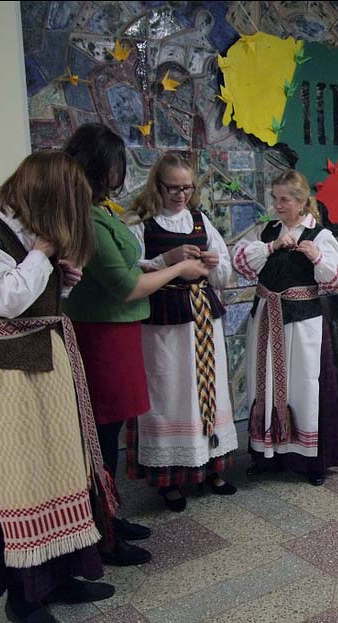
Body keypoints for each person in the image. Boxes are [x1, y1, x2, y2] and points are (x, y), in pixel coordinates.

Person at [0, 151, 117, 623]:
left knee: (62, 464)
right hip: (9, 373)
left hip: (50, 359)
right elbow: (3, 300)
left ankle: (62, 577)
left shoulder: (29, 231)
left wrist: (59, 284)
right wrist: (41, 254)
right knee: (20, 475)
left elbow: (32, 298)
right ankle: (24, 598)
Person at [63, 124, 208, 563]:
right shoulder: (88, 217)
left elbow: (128, 265)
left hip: (119, 332)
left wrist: (162, 260)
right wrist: (176, 271)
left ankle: (110, 513)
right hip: (103, 334)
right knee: (102, 433)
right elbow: (126, 287)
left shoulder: (100, 210)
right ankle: (102, 532)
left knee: (111, 431)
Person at [127, 153, 238, 512]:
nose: (181, 195)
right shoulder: (142, 224)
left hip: (202, 317)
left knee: (208, 389)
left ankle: (211, 466)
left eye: (187, 188)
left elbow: (223, 276)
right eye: (173, 188)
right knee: (171, 392)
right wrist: (168, 259)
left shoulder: (200, 220)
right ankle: (170, 478)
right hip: (164, 321)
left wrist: (213, 264)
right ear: (157, 186)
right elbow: (130, 272)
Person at [232, 170, 338, 485]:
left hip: (303, 323)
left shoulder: (319, 235)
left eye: (285, 199)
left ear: (301, 201)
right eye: (276, 198)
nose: (278, 205)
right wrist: (271, 247)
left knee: (304, 387)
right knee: (265, 383)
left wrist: (317, 257)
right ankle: (266, 455)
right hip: (266, 320)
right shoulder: (269, 230)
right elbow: (241, 265)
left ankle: (309, 460)